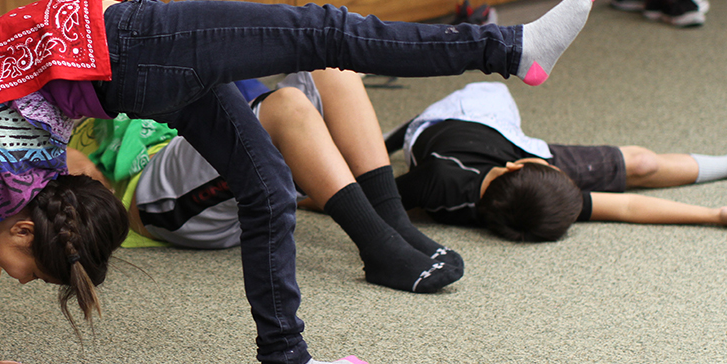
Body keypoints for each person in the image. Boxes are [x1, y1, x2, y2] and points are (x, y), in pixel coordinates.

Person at [0, 0, 599, 364]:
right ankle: (283, 361)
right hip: (129, 68)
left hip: (140, 45)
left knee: (322, 32)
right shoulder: (0, 198)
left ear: (22, 227)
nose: (22, 278)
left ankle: (510, 49)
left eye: (32, 270)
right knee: (265, 183)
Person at [87, 69, 462, 294]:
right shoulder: (48, 112)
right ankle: (379, 248)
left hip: (187, 151)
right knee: (285, 108)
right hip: (154, 199)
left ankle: (391, 219)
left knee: (332, 69)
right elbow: (82, 188)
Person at [387, 81, 727, 241]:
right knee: (644, 164)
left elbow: (372, 193)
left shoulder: (436, 179)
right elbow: (628, 208)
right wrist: (715, 216)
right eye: (552, 167)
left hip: (465, 122)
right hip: (494, 125)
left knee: (644, 165)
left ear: (517, 166)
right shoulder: (533, 206)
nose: (555, 165)